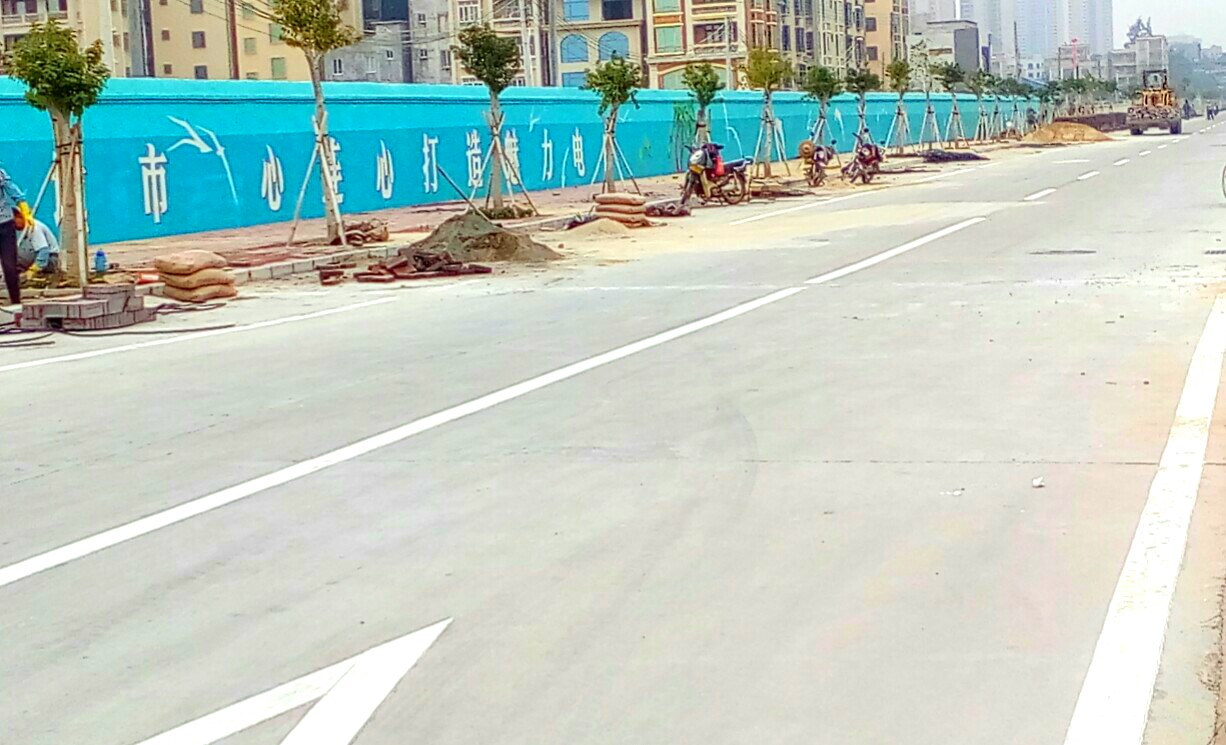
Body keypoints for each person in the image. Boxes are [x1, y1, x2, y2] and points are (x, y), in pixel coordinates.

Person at [0, 164, 32, 305]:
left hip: (5, 224)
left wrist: (24, 209)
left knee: (9, 266)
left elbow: (13, 190)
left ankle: (16, 301)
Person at [12, 209, 59, 277]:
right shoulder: (23, 229)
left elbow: (44, 250)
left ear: (19, 217)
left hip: (50, 259)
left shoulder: (34, 227)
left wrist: (34, 270)